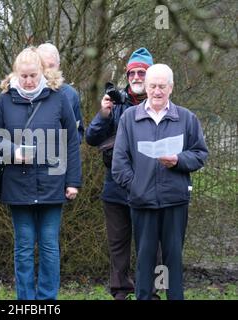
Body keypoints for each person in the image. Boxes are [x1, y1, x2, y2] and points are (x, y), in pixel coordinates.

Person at [0, 47, 82, 300]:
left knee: (50, 246)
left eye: (33, 75)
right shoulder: (4, 100)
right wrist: (13, 151)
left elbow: (72, 142)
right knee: (23, 247)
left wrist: (73, 181)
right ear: (15, 74)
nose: (28, 81)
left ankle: (47, 299)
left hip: (53, 183)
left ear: (42, 72)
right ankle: (26, 300)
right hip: (17, 184)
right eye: (24, 76)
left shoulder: (58, 98)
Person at [111, 64, 208, 300]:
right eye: (152, 86)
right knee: (144, 259)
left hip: (175, 200)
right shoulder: (129, 118)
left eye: (162, 86)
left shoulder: (186, 118)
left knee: (173, 259)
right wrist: (136, 186)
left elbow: (200, 154)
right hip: (141, 201)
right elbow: (119, 163)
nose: (156, 91)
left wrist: (178, 160)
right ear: (145, 86)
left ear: (171, 88)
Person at [85, 48, 154, 300]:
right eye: (132, 73)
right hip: (115, 186)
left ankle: (151, 292)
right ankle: (120, 292)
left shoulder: (158, 102)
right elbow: (91, 138)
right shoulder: (115, 102)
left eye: (142, 72)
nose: (136, 77)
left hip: (149, 187)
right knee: (118, 244)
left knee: (150, 244)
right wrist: (103, 114)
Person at [37, 43, 84, 142]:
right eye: (43, 66)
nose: (47, 70)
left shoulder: (70, 94)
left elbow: (78, 133)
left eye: (51, 65)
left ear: (58, 66)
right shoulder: (25, 92)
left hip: (60, 154)